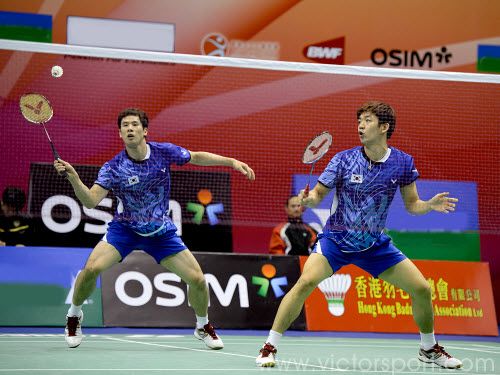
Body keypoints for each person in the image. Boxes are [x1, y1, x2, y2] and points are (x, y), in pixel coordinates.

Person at [256, 101, 462, 369]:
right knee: (305, 283)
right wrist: (308, 200)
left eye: (367, 120)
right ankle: (269, 346)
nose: (361, 126)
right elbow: (318, 194)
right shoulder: (342, 159)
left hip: (374, 244)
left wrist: (430, 205)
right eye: (359, 121)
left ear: (384, 127)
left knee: (421, 289)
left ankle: (428, 348)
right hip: (336, 241)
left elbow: (413, 206)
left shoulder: (402, 162)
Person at [54, 108, 255, 349]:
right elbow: (90, 201)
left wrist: (231, 162)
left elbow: (196, 156)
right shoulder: (114, 167)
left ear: (144, 130)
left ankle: (202, 326)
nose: (129, 128)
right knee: (90, 269)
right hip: (125, 229)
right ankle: (74, 316)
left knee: (198, 280)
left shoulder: (162, 152)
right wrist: (75, 178)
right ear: (120, 134)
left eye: (134, 124)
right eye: (125, 126)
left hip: (160, 232)